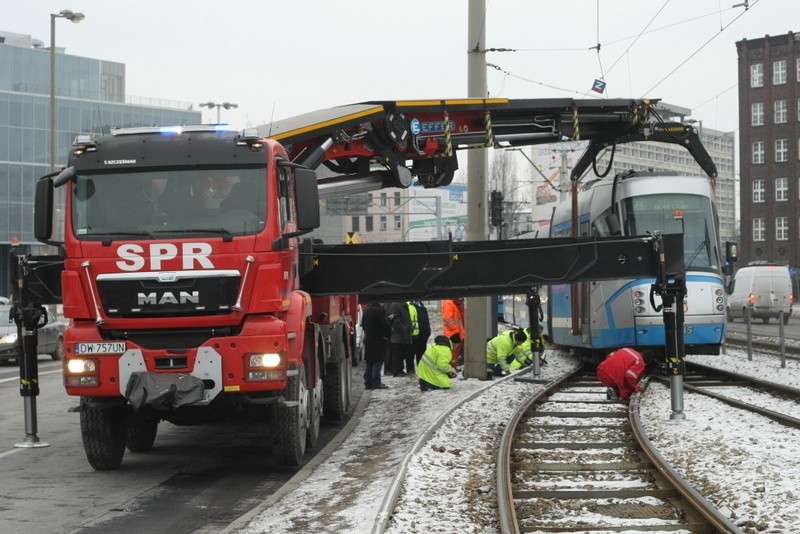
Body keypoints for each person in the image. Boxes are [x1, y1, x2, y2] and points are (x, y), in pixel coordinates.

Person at [360, 302, 391, 390]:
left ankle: (368, 383)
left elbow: (364, 325)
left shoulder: (366, 311)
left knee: (369, 361)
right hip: (379, 339)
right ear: (380, 302)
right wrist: (388, 335)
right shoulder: (380, 311)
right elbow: (385, 324)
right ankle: (376, 382)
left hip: (369, 339)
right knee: (378, 361)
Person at [387, 301, 413, 377]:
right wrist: (404, 329)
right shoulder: (395, 305)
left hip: (404, 335)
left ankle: (400, 370)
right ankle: (397, 371)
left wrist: (409, 328)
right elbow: (395, 320)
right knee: (397, 354)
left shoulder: (403, 305)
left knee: (402, 353)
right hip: (398, 336)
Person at [442, 298, 466, 366]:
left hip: (456, 332)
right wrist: (455, 330)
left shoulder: (454, 303)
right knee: (453, 352)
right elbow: (448, 319)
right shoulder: (448, 303)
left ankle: (452, 366)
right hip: (453, 333)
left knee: (455, 352)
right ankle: (451, 367)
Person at [409, 301, 431, 366]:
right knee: (411, 353)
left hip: (424, 333)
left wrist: (428, 331)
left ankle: (421, 368)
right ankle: (411, 369)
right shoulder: (409, 304)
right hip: (414, 334)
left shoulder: (420, 304)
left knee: (421, 353)